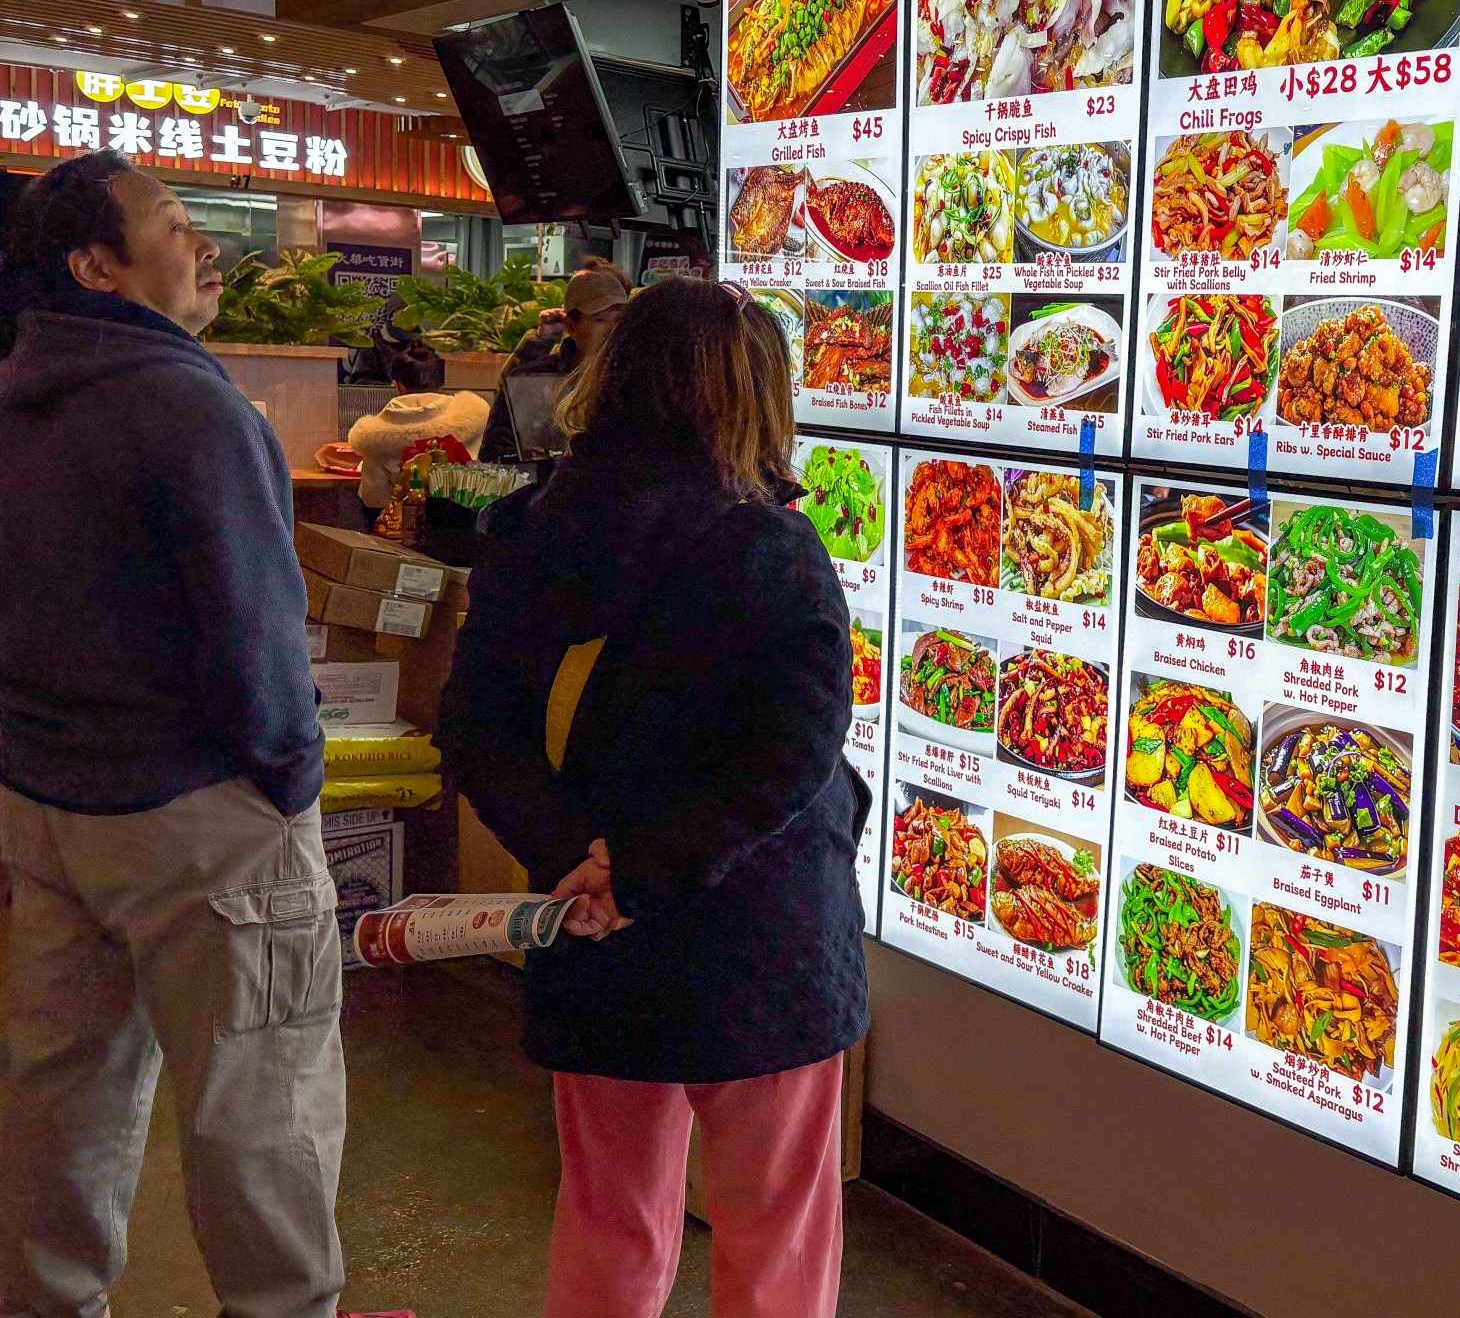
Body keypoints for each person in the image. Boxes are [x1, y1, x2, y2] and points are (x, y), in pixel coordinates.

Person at [438, 277, 868, 1318]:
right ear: (756, 397)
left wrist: (574, 861)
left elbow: (476, 725)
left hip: (593, 931)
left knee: (609, 1218)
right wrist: (653, 868)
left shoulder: (530, 531)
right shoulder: (767, 544)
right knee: (774, 1234)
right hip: (762, 937)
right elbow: (797, 742)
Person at [0, 153, 359, 1318]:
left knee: (61, 1105)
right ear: (96, 266)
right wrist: (292, 784)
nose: (208, 244)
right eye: (175, 225)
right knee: (261, 1119)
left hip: (47, 808)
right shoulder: (189, 404)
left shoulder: (18, 394)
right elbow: (257, 638)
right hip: (203, 823)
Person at [483, 266, 628, 460]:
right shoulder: (536, 381)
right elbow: (498, 456)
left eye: (619, 321)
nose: (612, 331)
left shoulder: (634, 380)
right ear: (571, 326)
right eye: (600, 319)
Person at [347, 340, 489, 510]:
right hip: (469, 521)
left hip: (403, 528)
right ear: (440, 384)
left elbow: (373, 498)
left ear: (398, 386)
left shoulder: (374, 437)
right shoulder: (475, 416)